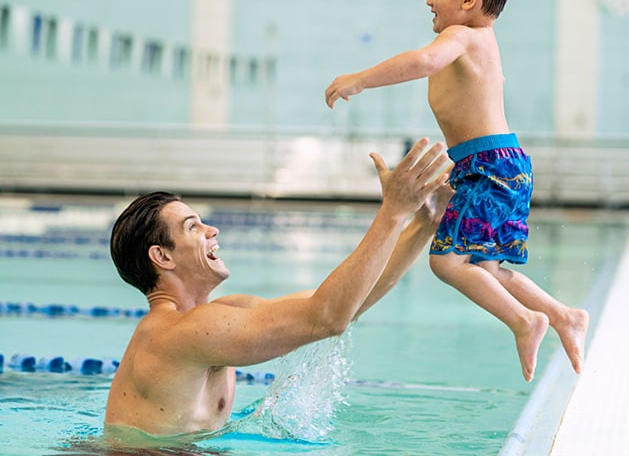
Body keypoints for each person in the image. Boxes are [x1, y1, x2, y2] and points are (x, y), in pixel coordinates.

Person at [324, 0, 588, 382]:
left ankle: (526, 321)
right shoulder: (484, 40)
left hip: (490, 166)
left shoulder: (462, 36)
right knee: (485, 269)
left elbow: (424, 62)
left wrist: (361, 79)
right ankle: (563, 315)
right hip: (499, 166)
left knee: (447, 263)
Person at [104, 138, 452, 441]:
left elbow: (345, 304)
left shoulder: (218, 315)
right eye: (192, 227)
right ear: (162, 256)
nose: (212, 230)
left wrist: (423, 223)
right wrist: (392, 212)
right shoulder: (180, 331)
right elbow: (328, 318)